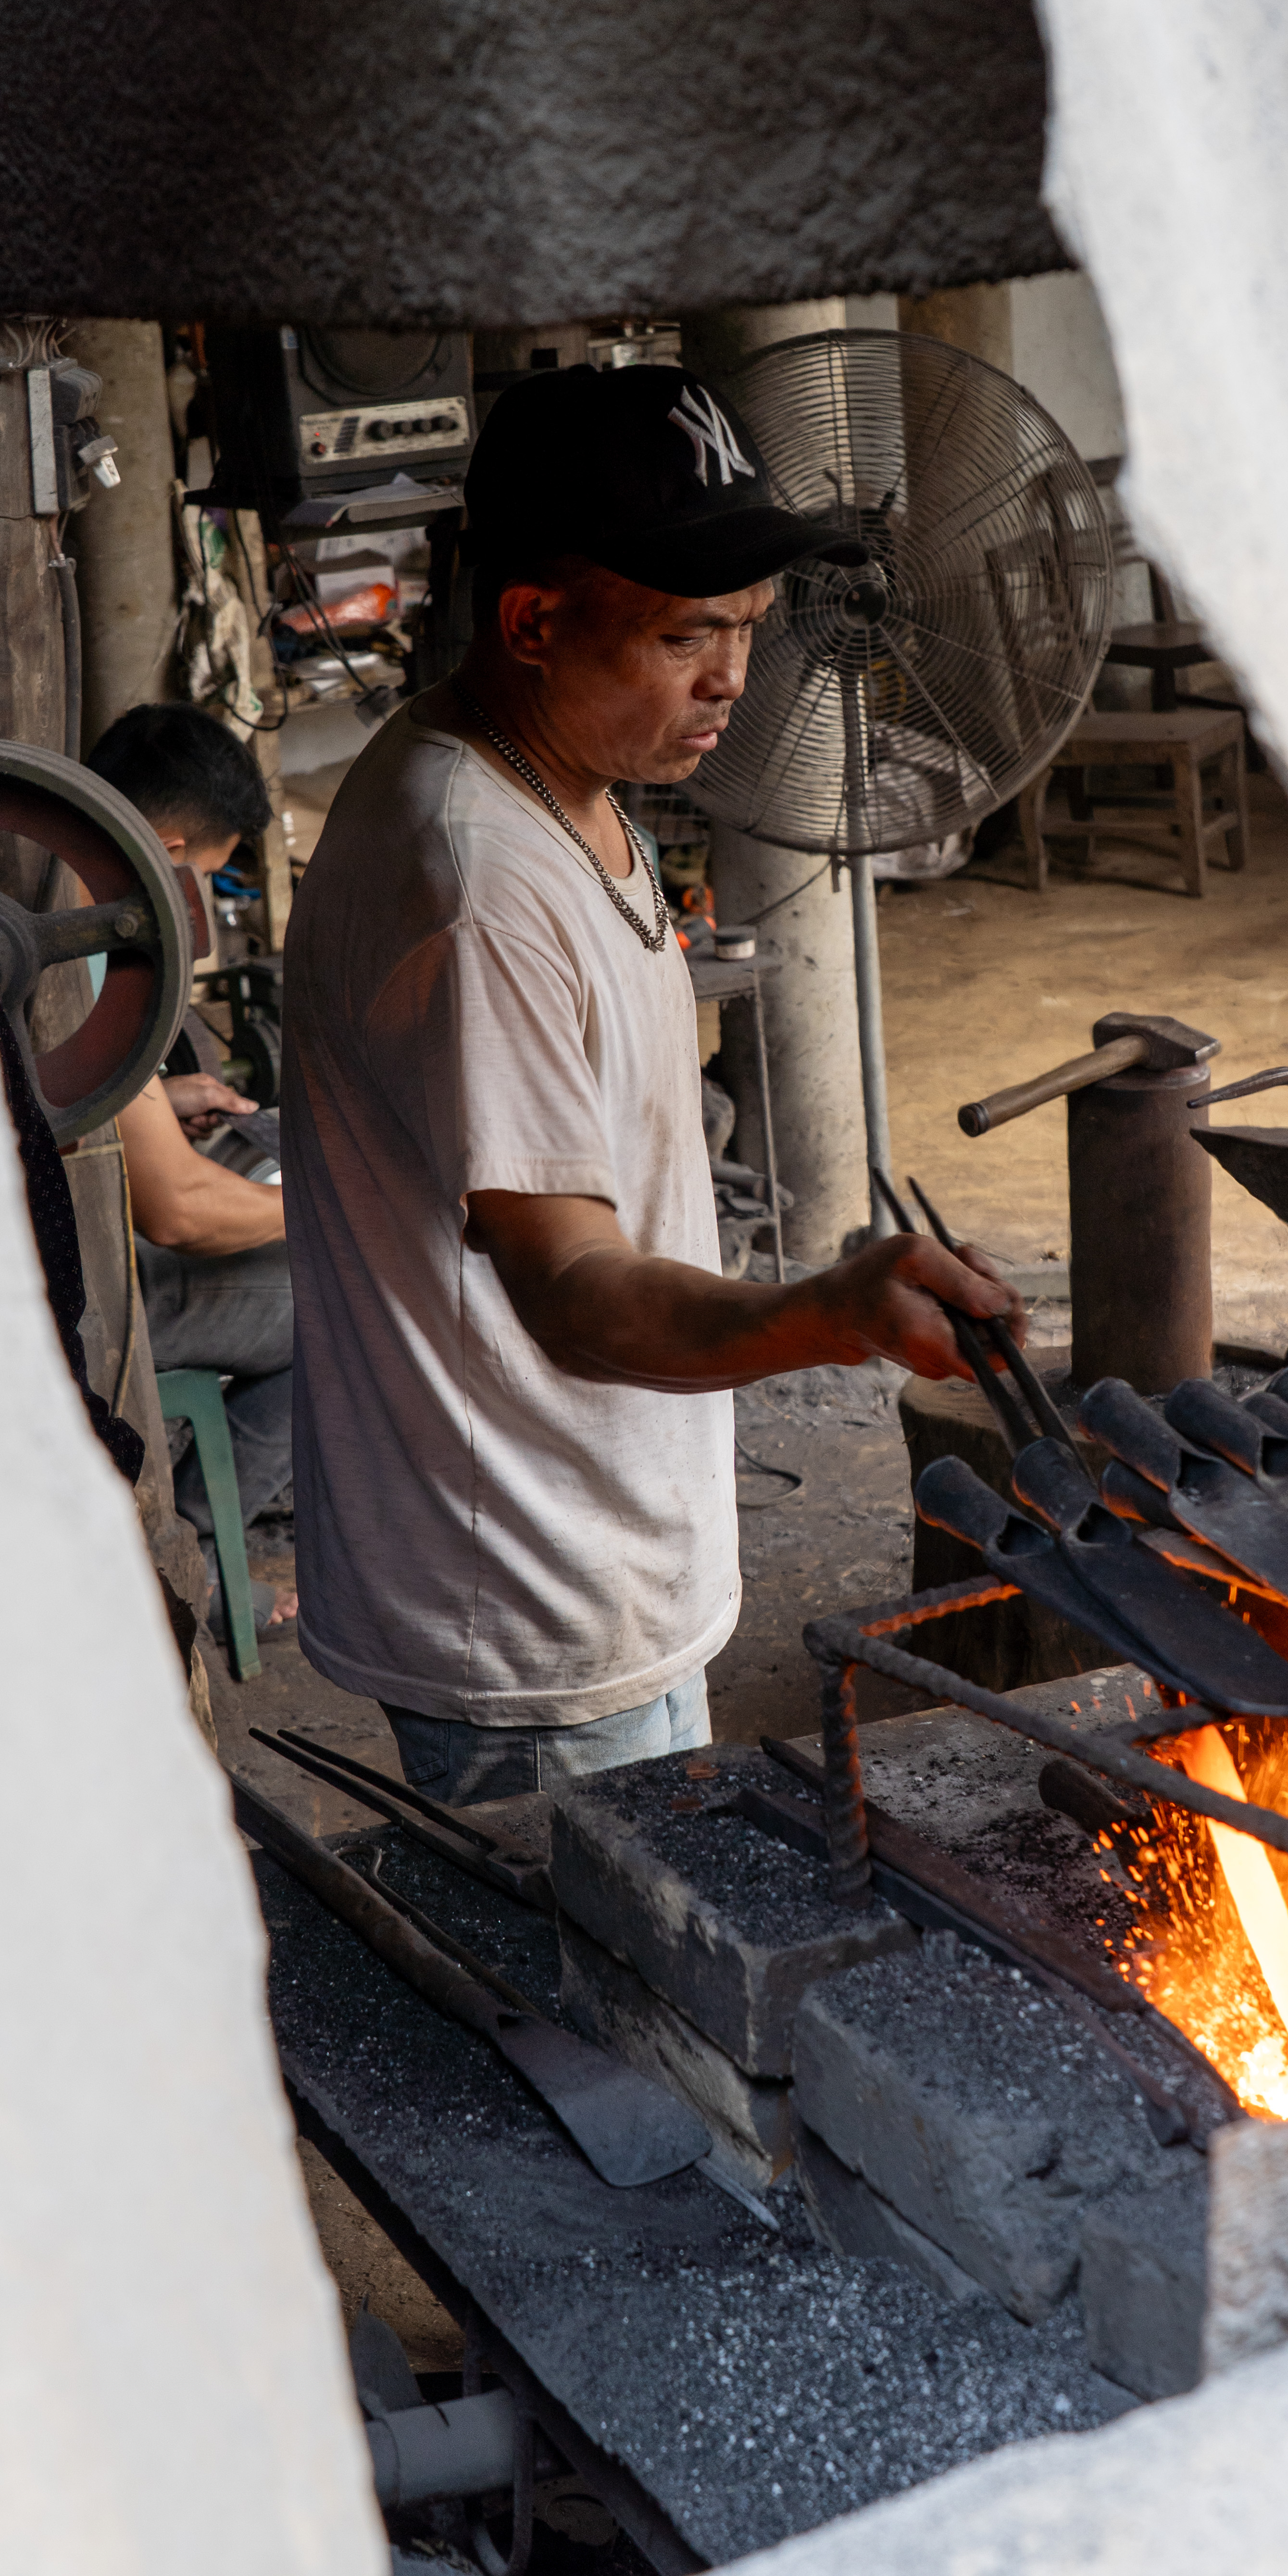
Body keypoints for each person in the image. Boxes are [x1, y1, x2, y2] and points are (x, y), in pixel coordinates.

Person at [281, 364, 1022, 1804]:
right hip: (538, 1619)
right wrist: (834, 1309)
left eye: (748, 629)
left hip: (594, 1552)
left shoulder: (561, 782)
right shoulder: (477, 888)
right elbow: (576, 1290)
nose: (734, 678)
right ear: (535, 623)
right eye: (688, 632)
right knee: (597, 2009)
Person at [85, 704, 298, 1634]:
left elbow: (59, 1095)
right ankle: (201, 1567)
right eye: (204, 877)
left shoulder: (45, 889)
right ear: (168, 847)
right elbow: (178, 1212)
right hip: (84, 1298)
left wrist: (153, 1102)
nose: (197, 901)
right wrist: (343, 1206)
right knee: (339, 1301)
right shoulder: (83, 946)